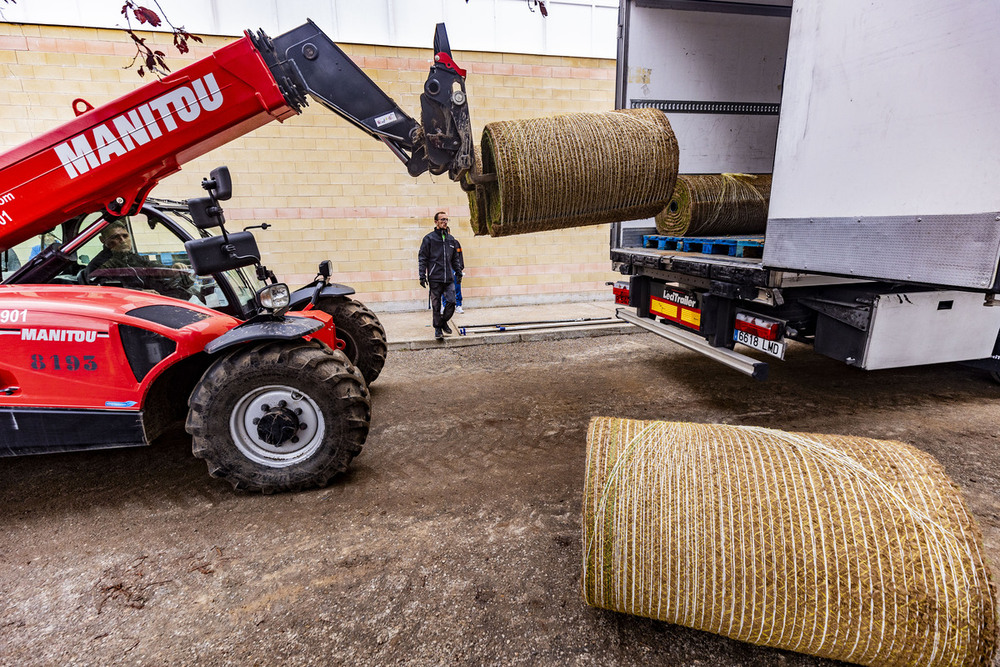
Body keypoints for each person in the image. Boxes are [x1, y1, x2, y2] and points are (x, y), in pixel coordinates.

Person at [418, 211, 463, 340]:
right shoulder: (429, 239)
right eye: (442, 219)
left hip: (448, 277)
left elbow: (455, 258)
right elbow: (422, 258)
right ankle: (438, 329)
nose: (445, 222)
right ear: (436, 222)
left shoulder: (451, 239)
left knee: (452, 301)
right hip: (435, 277)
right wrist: (422, 275)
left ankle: (443, 322)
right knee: (436, 305)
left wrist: (458, 272)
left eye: (446, 220)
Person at [441, 224, 465, 314]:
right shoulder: (439, 244)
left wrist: (460, 269)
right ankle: (444, 305)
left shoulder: (455, 243)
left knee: (457, 288)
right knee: (444, 289)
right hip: (444, 270)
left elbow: (460, 256)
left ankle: (458, 305)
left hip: (454, 269)